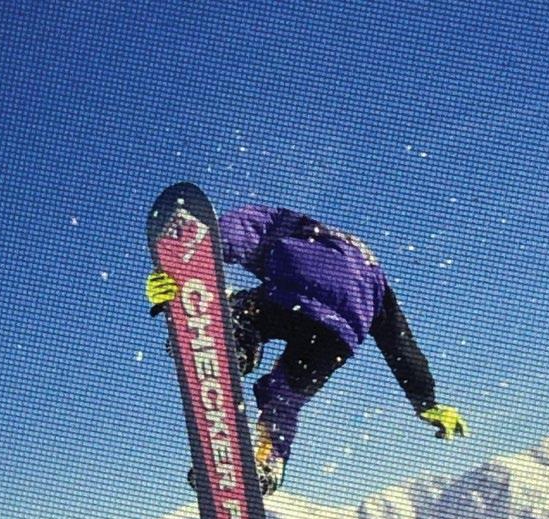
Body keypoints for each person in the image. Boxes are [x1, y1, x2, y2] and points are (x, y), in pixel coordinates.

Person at [146, 203, 469, 494]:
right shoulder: (376, 280)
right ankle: (266, 461)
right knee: (282, 398)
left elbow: (247, 228)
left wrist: (188, 269)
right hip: (338, 337)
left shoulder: (292, 226)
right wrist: (426, 401)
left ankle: (233, 340)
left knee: (239, 308)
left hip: (294, 295)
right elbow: (399, 342)